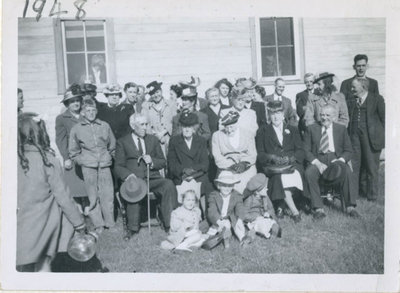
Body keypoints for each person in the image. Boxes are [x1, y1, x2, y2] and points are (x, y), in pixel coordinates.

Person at [17, 113, 85, 272]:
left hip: (18, 222)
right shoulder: (47, 160)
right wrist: (79, 223)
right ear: (41, 133)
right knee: (43, 266)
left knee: (21, 266)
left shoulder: (11, 159)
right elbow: (63, 196)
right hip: (44, 222)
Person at [114, 113, 179, 239]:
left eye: (146, 124)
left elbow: (162, 161)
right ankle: (132, 228)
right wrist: (128, 175)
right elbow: (118, 166)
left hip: (152, 178)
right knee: (133, 188)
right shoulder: (122, 142)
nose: (145, 127)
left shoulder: (152, 140)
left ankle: (170, 224)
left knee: (168, 184)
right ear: (133, 126)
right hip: (134, 178)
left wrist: (152, 161)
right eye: (142, 125)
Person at [55, 86, 104, 250]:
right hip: (73, 158)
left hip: (88, 157)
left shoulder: (86, 115)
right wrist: (66, 158)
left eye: (77, 100)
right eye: (71, 101)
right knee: (75, 192)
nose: (75, 103)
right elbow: (61, 140)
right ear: (67, 104)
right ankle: (78, 225)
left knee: (90, 190)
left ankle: (96, 223)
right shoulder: (62, 119)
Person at [303, 104, 359, 219]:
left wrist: (340, 160)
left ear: (334, 117)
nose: (324, 118)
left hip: (336, 158)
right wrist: (317, 163)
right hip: (318, 158)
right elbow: (306, 150)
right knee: (309, 173)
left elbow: (348, 150)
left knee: (347, 171)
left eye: (327, 115)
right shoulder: (311, 128)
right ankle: (318, 208)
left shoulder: (341, 129)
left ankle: (350, 207)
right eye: (322, 115)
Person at [69, 99, 116, 230]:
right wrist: (83, 161)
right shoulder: (77, 129)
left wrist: (108, 157)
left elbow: (112, 145)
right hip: (88, 167)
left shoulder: (104, 125)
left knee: (108, 195)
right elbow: (73, 152)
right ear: (83, 113)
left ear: (97, 111)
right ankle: (98, 224)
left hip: (104, 165)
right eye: (87, 111)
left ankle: (110, 223)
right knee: (93, 196)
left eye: (93, 110)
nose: (91, 113)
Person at [256, 101, 304, 222]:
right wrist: (272, 157)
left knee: (289, 176)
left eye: (278, 113)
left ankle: (281, 205)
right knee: (279, 177)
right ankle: (295, 212)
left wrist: (290, 158)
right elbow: (260, 154)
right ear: (268, 115)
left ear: (283, 114)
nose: (276, 117)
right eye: (272, 114)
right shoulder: (263, 131)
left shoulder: (292, 129)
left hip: (291, 164)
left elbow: (300, 150)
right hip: (274, 166)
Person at [347, 77, 385, 201]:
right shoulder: (351, 101)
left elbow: (385, 120)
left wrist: (383, 139)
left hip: (371, 137)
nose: (351, 89)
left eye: (354, 87)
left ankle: (372, 196)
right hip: (354, 137)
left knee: (371, 166)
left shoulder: (376, 99)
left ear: (363, 87)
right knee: (354, 165)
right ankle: (355, 194)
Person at [168, 112, 213, 211]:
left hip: (198, 176)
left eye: (189, 126)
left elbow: (205, 164)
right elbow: (171, 164)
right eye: (184, 126)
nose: (187, 129)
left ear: (194, 128)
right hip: (181, 176)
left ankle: (206, 217)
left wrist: (193, 171)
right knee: (177, 186)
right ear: (180, 128)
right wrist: (183, 171)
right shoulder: (174, 141)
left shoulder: (201, 141)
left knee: (207, 184)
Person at [212, 111, 257, 194]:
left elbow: (253, 154)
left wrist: (244, 164)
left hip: (245, 167)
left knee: (248, 184)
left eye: (232, 127)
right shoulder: (217, 135)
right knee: (228, 183)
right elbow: (217, 156)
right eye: (226, 127)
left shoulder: (248, 134)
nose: (229, 130)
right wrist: (231, 165)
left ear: (237, 123)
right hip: (227, 167)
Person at [207, 171, 250, 249]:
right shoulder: (213, 195)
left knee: (237, 225)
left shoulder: (236, 195)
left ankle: (243, 239)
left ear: (233, 186)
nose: (227, 188)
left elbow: (240, 207)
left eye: (230, 186)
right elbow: (212, 211)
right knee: (215, 229)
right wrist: (218, 221)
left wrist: (240, 219)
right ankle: (222, 237)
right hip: (218, 219)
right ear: (218, 186)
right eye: (224, 185)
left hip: (230, 218)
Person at [141, 81, 177, 157]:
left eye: (157, 92)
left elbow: (174, 121)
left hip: (169, 138)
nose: (156, 95)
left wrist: (163, 132)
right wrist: (155, 134)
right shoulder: (146, 107)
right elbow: (145, 123)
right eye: (153, 94)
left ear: (161, 91)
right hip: (153, 139)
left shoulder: (171, 104)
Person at [242, 174, 281, 239]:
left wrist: (268, 213)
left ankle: (274, 228)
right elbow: (244, 214)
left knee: (271, 222)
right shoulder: (249, 199)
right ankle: (252, 236)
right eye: (265, 188)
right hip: (254, 220)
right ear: (257, 192)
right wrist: (256, 217)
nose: (267, 189)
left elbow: (271, 208)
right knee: (259, 225)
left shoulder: (266, 197)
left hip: (264, 217)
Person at [296, 73, 316, 137]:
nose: (309, 84)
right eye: (307, 82)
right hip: (305, 125)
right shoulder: (300, 95)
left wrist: (306, 108)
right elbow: (300, 111)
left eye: (311, 81)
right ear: (304, 83)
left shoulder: (319, 93)